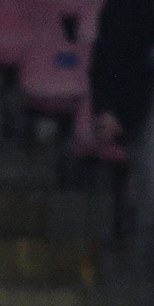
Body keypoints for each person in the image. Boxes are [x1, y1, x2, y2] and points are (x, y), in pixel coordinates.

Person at [89, 0, 154, 284]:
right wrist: (108, 108)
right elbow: (109, 55)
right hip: (145, 111)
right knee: (149, 208)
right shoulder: (129, 7)